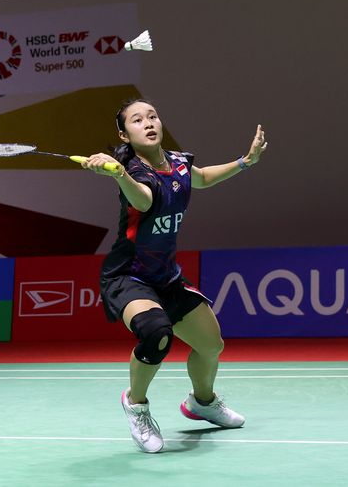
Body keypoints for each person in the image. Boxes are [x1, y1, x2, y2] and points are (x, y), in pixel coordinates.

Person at [81, 98, 268, 453]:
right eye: (137, 120)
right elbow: (144, 201)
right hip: (128, 277)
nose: (148, 122)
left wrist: (246, 162)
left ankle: (202, 402)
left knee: (212, 345)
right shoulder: (134, 172)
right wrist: (119, 173)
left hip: (166, 276)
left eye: (152, 116)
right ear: (125, 133)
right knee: (156, 333)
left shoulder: (179, 164)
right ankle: (136, 404)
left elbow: (201, 179)